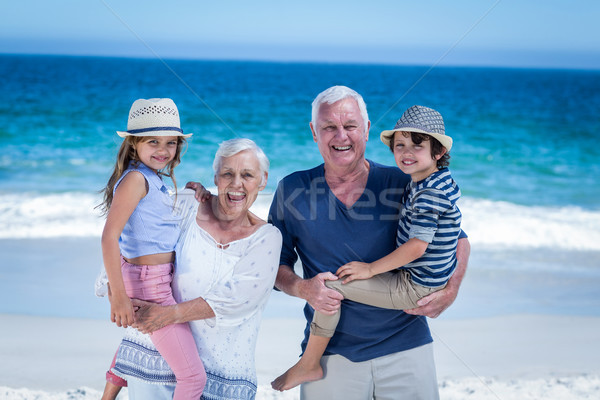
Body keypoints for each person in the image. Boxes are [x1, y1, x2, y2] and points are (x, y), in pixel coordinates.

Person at [268, 86, 470, 399]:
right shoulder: (292, 188)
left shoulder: (404, 182)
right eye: (329, 127)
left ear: (366, 129)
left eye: (350, 126)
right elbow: (274, 266)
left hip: (406, 346)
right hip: (331, 356)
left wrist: (451, 291)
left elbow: (458, 241)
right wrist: (304, 289)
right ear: (313, 132)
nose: (341, 137)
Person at [105, 138, 282, 400]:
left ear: (263, 180)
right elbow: (132, 242)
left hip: (223, 377)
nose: (236, 184)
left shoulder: (266, 238)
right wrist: (117, 292)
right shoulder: (186, 205)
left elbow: (237, 299)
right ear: (216, 177)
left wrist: (166, 315)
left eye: (247, 175)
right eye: (227, 174)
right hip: (153, 365)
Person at [98, 98, 206, 400]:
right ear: (134, 144)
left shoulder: (150, 179)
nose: (163, 150)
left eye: (171, 143)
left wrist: (190, 193)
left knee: (138, 340)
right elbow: (109, 237)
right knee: (193, 378)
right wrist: (118, 296)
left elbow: (153, 223)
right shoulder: (135, 179)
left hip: (148, 278)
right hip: (150, 285)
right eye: (153, 141)